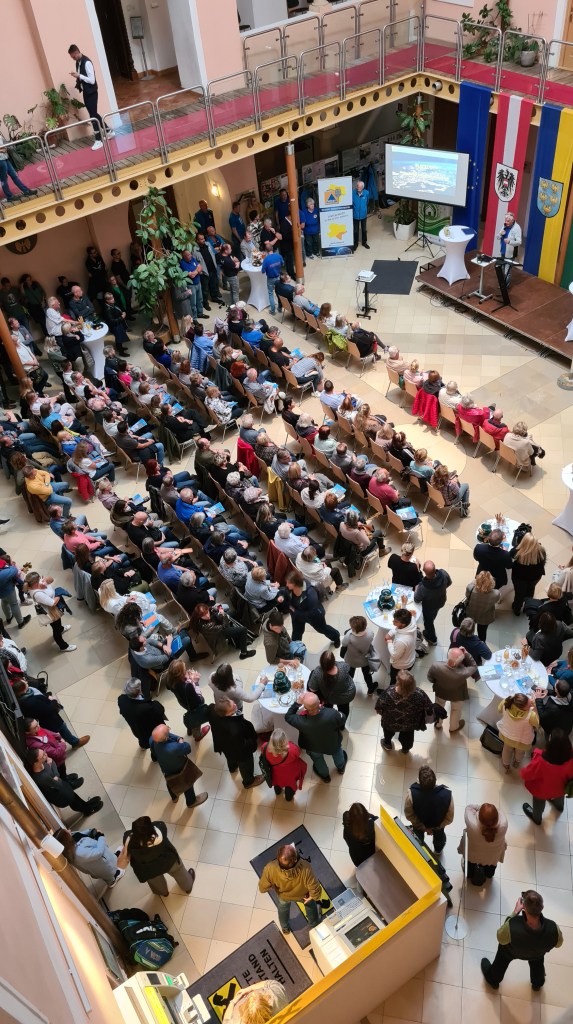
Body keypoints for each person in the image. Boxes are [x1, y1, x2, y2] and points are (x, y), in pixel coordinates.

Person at [481, 889, 562, 991]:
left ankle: (493, 980)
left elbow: (500, 938)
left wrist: (515, 912)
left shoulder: (512, 926)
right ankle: (537, 983)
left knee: (502, 953)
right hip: (537, 954)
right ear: (542, 907)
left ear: (524, 907)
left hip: (511, 952)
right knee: (537, 963)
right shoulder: (553, 928)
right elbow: (559, 944)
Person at [119, 815, 195, 896]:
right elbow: (159, 823)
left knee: (155, 881)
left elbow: (127, 834)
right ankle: (187, 887)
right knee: (178, 872)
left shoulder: (128, 841)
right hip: (168, 861)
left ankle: (163, 892)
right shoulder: (160, 829)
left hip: (147, 869)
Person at [258, 841, 322, 934]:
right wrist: (312, 897)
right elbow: (315, 888)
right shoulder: (305, 867)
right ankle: (314, 924)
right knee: (311, 905)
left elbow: (262, 888)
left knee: (282, 909)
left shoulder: (270, 868)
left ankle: (285, 928)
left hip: (284, 896)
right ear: (295, 860)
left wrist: (273, 886)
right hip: (303, 895)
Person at [285, 691, 346, 782]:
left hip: (313, 747)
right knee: (337, 752)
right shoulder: (332, 713)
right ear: (320, 702)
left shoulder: (300, 721)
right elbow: (343, 718)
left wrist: (297, 703)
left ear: (305, 707)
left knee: (318, 760)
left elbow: (288, 716)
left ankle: (325, 776)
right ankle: (341, 768)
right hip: (332, 743)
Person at [26, 748, 103, 816]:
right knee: (73, 800)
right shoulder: (42, 777)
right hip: (61, 796)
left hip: (60, 788)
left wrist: (54, 771)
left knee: (74, 796)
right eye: (43, 756)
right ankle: (88, 810)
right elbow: (57, 779)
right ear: (35, 762)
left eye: (44, 752)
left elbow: (53, 764)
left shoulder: (41, 763)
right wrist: (54, 770)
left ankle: (85, 805)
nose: (45, 755)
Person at [208, 697, 264, 789]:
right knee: (245, 763)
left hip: (224, 743)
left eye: (232, 702)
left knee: (229, 755)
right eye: (232, 706)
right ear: (227, 714)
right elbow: (243, 748)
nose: (235, 705)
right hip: (240, 750)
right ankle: (249, 781)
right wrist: (252, 744)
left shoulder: (212, 709)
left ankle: (232, 768)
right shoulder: (235, 729)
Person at [521, 728, 573, 824]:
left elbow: (528, 773)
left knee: (538, 804)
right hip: (561, 788)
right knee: (559, 796)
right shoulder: (571, 759)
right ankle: (559, 807)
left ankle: (537, 818)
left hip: (542, 791)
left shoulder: (541, 761)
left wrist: (522, 772)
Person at [149, 724, 208, 808]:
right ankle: (191, 802)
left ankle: (174, 797)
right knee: (187, 783)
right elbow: (187, 748)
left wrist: (177, 738)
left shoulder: (152, 739)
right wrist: (181, 742)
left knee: (170, 782)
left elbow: (165, 737)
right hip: (180, 768)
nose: (169, 729)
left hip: (165, 768)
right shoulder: (173, 748)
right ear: (165, 737)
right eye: (168, 729)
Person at [376, 670, 435, 752]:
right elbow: (429, 706)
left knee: (388, 732)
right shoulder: (419, 694)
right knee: (408, 736)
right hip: (410, 723)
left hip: (390, 721)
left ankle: (387, 744)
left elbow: (379, 706)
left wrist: (382, 713)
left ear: (399, 683)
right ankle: (406, 749)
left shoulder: (389, 692)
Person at [68, 44, 112, 150]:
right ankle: (108, 131)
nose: (72, 58)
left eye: (73, 56)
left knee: (92, 116)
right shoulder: (78, 62)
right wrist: (78, 77)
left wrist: (79, 76)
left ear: (76, 52)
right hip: (86, 92)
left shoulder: (87, 62)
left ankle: (98, 140)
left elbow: (92, 80)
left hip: (92, 92)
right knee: (94, 114)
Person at [281, 571, 341, 647]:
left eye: (289, 583)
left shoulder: (310, 593)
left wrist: (296, 612)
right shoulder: (289, 588)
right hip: (297, 616)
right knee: (296, 633)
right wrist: (281, 596)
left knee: (322, 629)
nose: (286, 584)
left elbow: (312, 613)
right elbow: (284, 592)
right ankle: (296, 648)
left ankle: (336, 637)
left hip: (314, 616)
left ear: (296, 584)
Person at [404, 766, 454, 854]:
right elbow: (449, 819)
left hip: (418, 825)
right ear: (435, 780)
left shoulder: (411, 794)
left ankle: (419, 852)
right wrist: (435, 828)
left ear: (419, 781)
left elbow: (409, 815)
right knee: (439, 839)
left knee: (417, 840)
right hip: (439, 826)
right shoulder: (447, 795)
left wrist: (422, 826)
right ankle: (438, 851)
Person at [428, 647, 477, 733]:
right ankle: (453, 727)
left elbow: (430, 678)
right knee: (456, 710)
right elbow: (473, 666)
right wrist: (466, 653)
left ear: (448, 656)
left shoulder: (436, 666)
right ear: (460, 661)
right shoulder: (464, 672)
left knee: (439, 707)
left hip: (440, 692)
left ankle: (438, 724)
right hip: (457, 695)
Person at [25, 571, 77, 652]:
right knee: (56, 629)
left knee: (57, 624)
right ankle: (63, 646)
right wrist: (59, 593)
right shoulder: (37, 594)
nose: (41, 580)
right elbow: (52, 603)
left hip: (52, 609)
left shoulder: (37, 584)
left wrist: (47, 580)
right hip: (50, 611)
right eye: (39, 580)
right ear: (35, 583)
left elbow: (51, 580)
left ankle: (61, 628)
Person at [54, 827, 123, 887]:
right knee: (107, 870)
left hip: (103, 857)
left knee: (108, 856)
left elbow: (80, 834)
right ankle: (112, 879)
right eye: (67, 832)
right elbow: (98, 852)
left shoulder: (70, 842)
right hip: (102, 864)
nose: (69, 830)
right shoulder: (78, 853)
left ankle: (113, 858)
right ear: (66, 839)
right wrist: (100, 837)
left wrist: (91, 831)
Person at [462, 803, 508, 887]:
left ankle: (469, 874)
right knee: (491, 867)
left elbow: (469, 807)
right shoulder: (504, 824)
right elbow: (500, 811)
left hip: (473, 854)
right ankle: (489, 874)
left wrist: (480, 809)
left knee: (470, 865)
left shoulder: (471, 823)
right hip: (493, 856)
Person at [163, 660, 210, 742]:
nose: (187, 670)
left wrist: (187, 678)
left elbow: (178, 686)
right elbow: (198, 700)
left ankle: (189, 728)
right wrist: (195, 682)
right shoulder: (188, 686)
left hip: (182, 702)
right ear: (180, 674)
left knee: (189, 714)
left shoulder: (169, 680)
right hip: (193, 705)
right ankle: (197, 735)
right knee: (195, 717)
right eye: (184, 670)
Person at [117, 677, 167, 751]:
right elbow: (160, 710)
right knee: (154, 743)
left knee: (142, 740)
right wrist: (154, 702)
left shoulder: (121, 699)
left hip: (136, 729)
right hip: (151, 730)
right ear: (140, 691)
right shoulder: (148, 707)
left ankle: (143, 747)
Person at [261, 728, 307, 803]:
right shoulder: (293, 749)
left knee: (276, 783)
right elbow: (299, 752)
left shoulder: (265, 747)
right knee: (290, 786)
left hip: (275, 773)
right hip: (290, 774)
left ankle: (277, 792)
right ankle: (288, 798)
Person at [308, 650, 356, 719]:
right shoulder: (343, 666)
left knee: (328, 711)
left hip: (328, 697)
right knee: (344, 709)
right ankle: (342, 722)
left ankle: (330, 720)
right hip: (345, 695)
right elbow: (349, 668)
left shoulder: (317, 672)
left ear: (321, 662)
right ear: (334, 661)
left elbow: (312, 689)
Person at [497, 692, 538, 772]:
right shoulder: (531, 715)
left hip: (507, 736)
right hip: (522, 741)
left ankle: (506, 764)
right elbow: (537, 724)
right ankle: (517, 762)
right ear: (523, 708)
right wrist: (535, 706)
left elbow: (499, 709)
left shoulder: (506, 703)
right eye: (529, 705)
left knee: (506, 750)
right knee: (520, 752)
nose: (531, 705)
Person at [414, 561, 452, 647]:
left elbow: (416, 599)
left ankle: (432, 639)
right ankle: (432, 620)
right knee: (433, 614)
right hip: (440, 602)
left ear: (424, 571)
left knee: (428, 622)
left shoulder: (423, 587)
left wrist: (416, 589)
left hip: (429, 606)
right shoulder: (443, 574)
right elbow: (449, 582)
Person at [535, 655, 573, 738]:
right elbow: (559, 694)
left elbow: (542, 716)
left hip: (556, 732)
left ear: (557, 690)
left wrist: (538, 699)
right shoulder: (570, 693)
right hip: (568, 725)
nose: (557, 680)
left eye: (555, 686)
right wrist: (548, 692)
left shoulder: (553, 707)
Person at [510, 532, 546, 615]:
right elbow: (544, 562)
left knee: (519, 593)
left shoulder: (517, 551)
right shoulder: (541, 550)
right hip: (535, 577)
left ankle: (517, 609)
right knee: (530, 590)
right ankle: (528, 607)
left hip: (519, 577)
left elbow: (509, 556)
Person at [340, 615, 377, 695]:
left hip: (351, 660)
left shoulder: (349, 635)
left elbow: (344, 644)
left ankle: (348, 688)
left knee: (350, 675)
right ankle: (370, 689)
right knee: (367, 675)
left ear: (353, 628)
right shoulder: (370, 633)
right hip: (365, 660)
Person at [223, 982, 288, 1024]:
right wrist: (250, 988)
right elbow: (270, 983)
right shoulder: (276, 995)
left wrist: (233, 1002)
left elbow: (225, 1021)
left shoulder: (236, 1021)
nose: (252, 993)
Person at [464, 570, 500, 642]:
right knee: (482, 633)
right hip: (485, 617)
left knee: (468, 629)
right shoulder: (496, 593)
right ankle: (481, 643)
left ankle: (468, 642)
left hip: (471, 613)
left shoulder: (470, 588)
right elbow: (497, 600)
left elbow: (467, 595)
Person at [385, 607, 417, 685]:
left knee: (394, 682)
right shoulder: (411, 621)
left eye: (396, 621)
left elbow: (395, 655)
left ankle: (392, 691)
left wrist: (389, 642)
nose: (393, 622)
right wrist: (390, 633)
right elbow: (398, 629)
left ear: (403, 624)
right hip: (410, 658)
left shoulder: (401, 641)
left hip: (401, 666)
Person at [342, 803, 377, 867]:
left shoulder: (346, 818)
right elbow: (375, 819)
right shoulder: (370, 827)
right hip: (367, 855)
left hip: (355, 856)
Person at [498, 210, 522, 284]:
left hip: (510, 253)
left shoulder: (517, 228)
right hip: (503, 251)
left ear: (512, 220)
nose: (506, 222)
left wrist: (510, 242)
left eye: (508, 221)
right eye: (506, 220)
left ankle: (505, 286)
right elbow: (497, 237)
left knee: (507, 270)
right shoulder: (505, 225)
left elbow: (519, 242)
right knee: (502, 267)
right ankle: (502, 283)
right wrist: (500, 234)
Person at [352, 180, 369, 250]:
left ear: (362, 187)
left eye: (359, 187)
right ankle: (355, 243)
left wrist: (364, 210)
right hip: (355, 215)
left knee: (364, 229)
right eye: (357, 186)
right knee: (356, 230)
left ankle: (364, 242)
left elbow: (367, 202)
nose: (357, 188)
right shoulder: (353, 192)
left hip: (363, 215)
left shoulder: (366, 193)